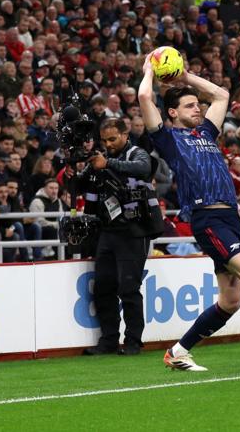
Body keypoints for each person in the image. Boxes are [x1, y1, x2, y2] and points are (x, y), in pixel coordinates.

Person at [139, 51, 240, 372]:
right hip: (208, 218)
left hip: (229, 217)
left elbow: (221, 95)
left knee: (230, 301)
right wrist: (149, 69)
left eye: (197, 104)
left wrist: (185, 77)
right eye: (189, 105)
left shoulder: (205, 132)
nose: (198, 107)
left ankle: (178, 351)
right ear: (172, 113)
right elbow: (145, 95)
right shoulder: (168, 139)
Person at [80, 117, 162, 357]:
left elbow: (144, 169)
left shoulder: (138, 153)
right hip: (107, 230)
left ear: (126, 135)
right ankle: (108, 341)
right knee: (103, 287)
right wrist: (79, 168)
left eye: (113, 139)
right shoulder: (100, 157)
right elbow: (81, 182)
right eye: (105, 140)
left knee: (129, 288)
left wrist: (107, 163)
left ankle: (133, 341)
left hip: (134, 230)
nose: (109, 144)